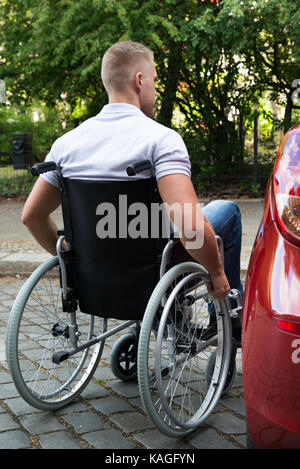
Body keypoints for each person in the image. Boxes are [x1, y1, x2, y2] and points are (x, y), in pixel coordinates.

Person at [21, 41, 243, 303]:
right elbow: (190, 224)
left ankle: (178, 318)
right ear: (140, 80)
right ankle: (230, 314)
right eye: (155, 81)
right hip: (153, 273)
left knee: (157, 222)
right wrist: (217, 272)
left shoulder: (65, 146)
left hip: (95, 274)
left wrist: (73, 260)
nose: (157, 91)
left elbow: (32, 216)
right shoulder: (160, 140)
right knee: (226, 212)